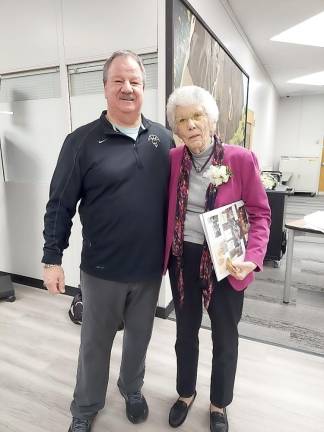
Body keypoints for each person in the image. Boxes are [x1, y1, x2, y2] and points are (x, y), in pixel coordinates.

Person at [42, 50, 174, 432]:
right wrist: (52, 259)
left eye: (134, 81)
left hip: (149, 271)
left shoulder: (163, 140)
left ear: (144, 89)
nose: (127, 88)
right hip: (100, 271)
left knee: (139, 340)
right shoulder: (81, 142)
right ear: (104, 87)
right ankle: (85, 408)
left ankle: (132, 388)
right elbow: (60, 203)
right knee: (94, 346)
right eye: (118, 80)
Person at [163, 85, 270, 432]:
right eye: (182, 120)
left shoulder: (239, 159)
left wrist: (253, 258)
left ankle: (219, 403)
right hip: (183, 259)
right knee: (185, 332)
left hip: (226, 260)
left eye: (197, 116)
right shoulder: (174, 159)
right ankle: (185, 392)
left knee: (225, 335)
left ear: (210, 118)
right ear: (176, 129)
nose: (191, 124)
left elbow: (260, 213)